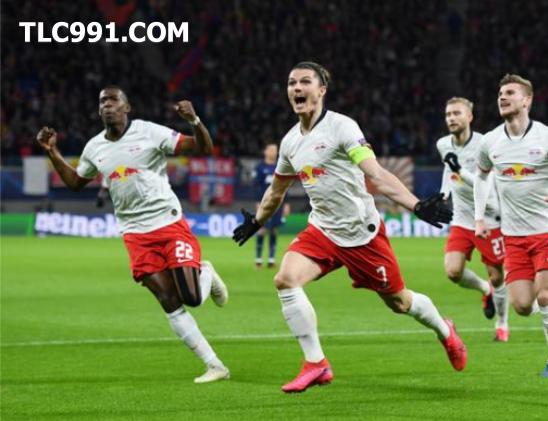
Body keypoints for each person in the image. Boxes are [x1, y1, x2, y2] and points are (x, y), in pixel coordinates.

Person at [232, 61, 465, 393]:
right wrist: (257, 220)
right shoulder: (290, 142)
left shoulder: (342, 127)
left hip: (361, 234)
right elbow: (276, 191)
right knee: (285, 279)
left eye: (305, 82)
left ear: (321, 90)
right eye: (291, 83)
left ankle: (445, 331)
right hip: (322, 230)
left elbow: (376, 175)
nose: (296, 88)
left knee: (399, 302)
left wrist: (415, 205)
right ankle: (316, 363)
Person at [35, 86, 230, 384]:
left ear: (127, 107)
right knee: (168, 301)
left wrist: (194, 121)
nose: (107, 105)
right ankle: (215, 365)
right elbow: (75, 181)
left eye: (113, 100)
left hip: (168, 224)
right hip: (135, 234)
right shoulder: (94, 147)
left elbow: (202, 148)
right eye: (102, 101)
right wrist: (52, 151)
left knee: (192, 298)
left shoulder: (149, 132)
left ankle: (207, 272)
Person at [473, 74, 548, 377]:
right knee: (523, 306)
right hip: (512, 235)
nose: (502, 97)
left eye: (510, 92)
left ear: (527, 100)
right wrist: (479, 217)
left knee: (544, 296)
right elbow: (481, 177)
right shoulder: (490, 141)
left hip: (547, 231)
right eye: (500, 93)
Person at [436, 97, 509, 341]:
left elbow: (484, 182)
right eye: (448, 114)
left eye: (457, 113)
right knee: (453, 271)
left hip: (488, 217)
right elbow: (448, 169)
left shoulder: (484, 145)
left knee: (497, 276)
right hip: (462, 218)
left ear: (470, 117)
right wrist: (444, 194)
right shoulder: (443, 144)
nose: (451, 118)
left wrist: (459, 170)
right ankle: (484, 289)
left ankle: (502, 324)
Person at [252, 143, 291, 268]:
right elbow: (256, 187)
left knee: (274, 230)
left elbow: (285, 186)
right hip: (264, 204)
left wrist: (286, 204)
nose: (273, 152)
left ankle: (271, 260)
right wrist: (258, 203)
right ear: (265, 152)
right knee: (262, 229)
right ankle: (258, 259)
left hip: (277, 203)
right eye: (271, 150)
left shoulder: (280, 167)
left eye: (275, 150)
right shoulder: (259, 168)